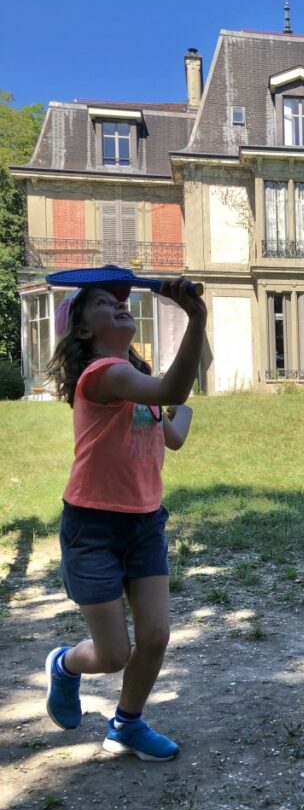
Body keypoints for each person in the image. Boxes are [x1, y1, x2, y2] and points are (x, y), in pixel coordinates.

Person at [44, 275, 206, 760]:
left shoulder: (136, 383)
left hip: (144, 521)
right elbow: (172, 386)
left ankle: (126, 725)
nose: (119, 305)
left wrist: (181, 412)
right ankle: (65, 664)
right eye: (102, 302)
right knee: (112, 654)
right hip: (93, 525)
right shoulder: (102, 374)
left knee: (155, 636)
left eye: (121, 301)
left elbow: (171, 437)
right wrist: (196, 318)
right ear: (84, 330)